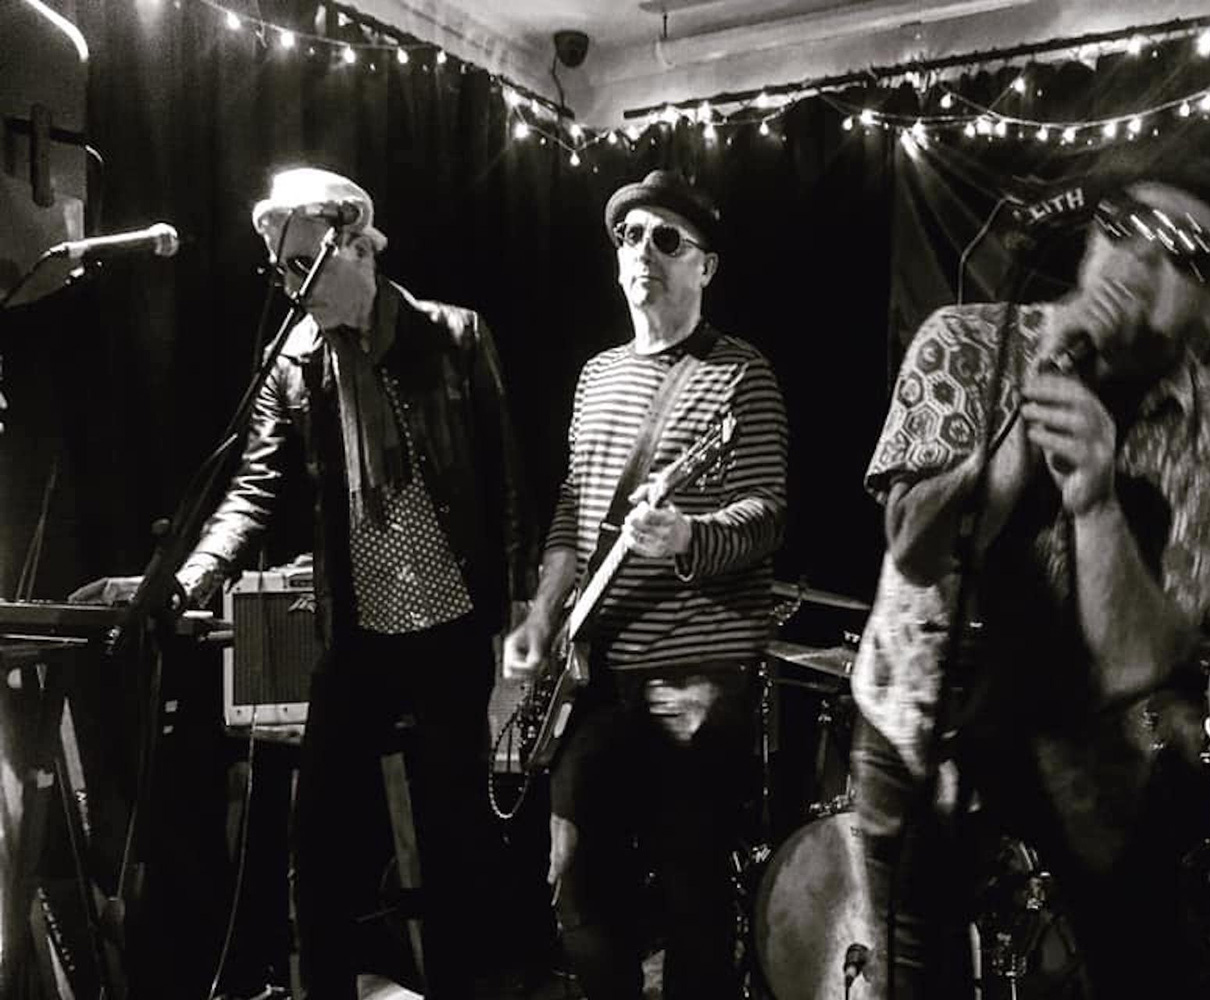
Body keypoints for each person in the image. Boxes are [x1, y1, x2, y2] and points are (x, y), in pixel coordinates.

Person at [851, 161, 1210, 997]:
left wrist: (1095, 500)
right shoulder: (964, 341)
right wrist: (1013, 442)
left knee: (1135, 966)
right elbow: (913, 549)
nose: (1135, 258)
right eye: (1121, 223)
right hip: (913, 714)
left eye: (1184, 252)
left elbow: (1137, 660)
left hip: (1079, 749)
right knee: (910, 966)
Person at [173, 166, 530, 1000]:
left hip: (450, 621)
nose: (291, 287)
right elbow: (254, 487)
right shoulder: (295, 361)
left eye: (305, 265)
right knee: (319, 842)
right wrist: (194, 575)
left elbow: (507, 480)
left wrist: (521, 616)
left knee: (453, 841)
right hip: (360, 632)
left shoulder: (454, 334)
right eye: (281, 271)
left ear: (360, 248)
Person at [502, 168, 788, 999]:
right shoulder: (596, 376)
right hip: (592, 672)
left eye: (667, 239)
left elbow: (767, 514)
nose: (643, 252)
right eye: (630, 236)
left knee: (693, 893)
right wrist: (542, 615)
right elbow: (574, 509)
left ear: (706, 266)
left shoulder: (742, 375)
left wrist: (688, 535)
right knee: (576, 880)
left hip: (696, 670)